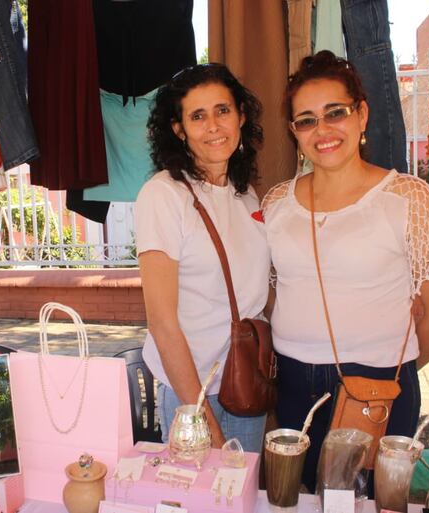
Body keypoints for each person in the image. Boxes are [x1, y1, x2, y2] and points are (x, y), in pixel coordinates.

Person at [262, 50, 429, 490]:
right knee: (296, 497)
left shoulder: (408, 198)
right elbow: (275, 291)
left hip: (376, 389)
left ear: (362, 114)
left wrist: (392, 371)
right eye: (307, 120)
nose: (323, 130)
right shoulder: (276, 202)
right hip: (293, 384)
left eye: (336, 112)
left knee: (370, 501)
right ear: (294, 131)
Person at [134, 63, 270, 453]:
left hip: (246, 382)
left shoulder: (246, 196)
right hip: (191, 391)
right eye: (198, 116)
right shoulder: (164, 196)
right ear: (179, 130)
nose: (213, 126)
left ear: (241, 116)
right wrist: (200, 416)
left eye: (222, 110)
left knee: (241, 499)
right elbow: (162, 323)